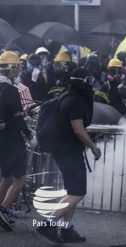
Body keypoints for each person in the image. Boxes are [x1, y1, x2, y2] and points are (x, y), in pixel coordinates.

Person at [36, 68, 102, 244]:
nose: (91, 84)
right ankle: (49, 223)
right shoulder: (74, 100)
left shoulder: (68, 94)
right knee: (78, 192)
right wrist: (93, 147)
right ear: (81, 81)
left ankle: (67, 229)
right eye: (88, 80)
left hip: (64, 149)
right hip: (68, 150)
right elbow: (78, 129)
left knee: (72, 191)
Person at [0, 52, 35, 231]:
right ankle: (3, 209)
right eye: (17, 68)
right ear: (12, 69)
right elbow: (18, 117)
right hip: (12, 138)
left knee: (6, 176)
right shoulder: (11, 90)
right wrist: (29, 135)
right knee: (21, 178)